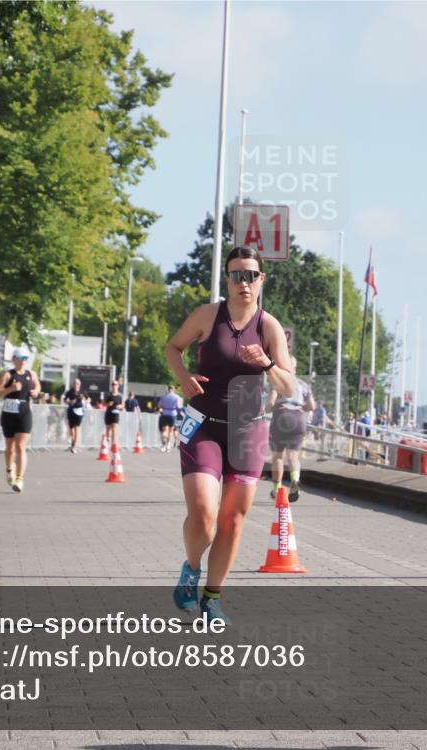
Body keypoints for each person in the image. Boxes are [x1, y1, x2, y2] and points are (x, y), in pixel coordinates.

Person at [164, 246, 295, 624]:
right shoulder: (208, 315)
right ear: (227, 279)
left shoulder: (268, 326)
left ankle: (212, 596)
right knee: (204, 513)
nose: (244, 282)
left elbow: (288, 387)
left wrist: (267, 364)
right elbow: (173, 347)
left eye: (250, 275)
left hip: (248, 430)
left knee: (232, 519)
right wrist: (183, 376)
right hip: (203, 425)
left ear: (261, 280)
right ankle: (191, 569)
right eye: (236, 275)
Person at [267, 357, 315, 502]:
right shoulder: (304, 385)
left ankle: (277, 489)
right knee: (293, 456)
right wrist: (301, 408)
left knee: (278, 456)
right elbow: (312, 406)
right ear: (295, 368)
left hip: (282, 417)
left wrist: (267, 409)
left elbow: (270, 403)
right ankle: (295, 479)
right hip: (298, 419)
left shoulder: (278, 383)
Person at [0, 348, 40, 492]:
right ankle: (9, 470)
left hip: (24, 413)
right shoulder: (7, 375)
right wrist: (11, 389)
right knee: (10, 448)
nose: (23, 361)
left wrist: (36, 392)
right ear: (14, 359)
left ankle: (20, 479)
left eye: (25, 358)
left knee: (21, 446)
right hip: (9, 414)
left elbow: (37, 385)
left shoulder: (31, 374)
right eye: (20, 358)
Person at [157, 385, 183, 453]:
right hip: (173, 414)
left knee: (163, 430)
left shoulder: (163, 396)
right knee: (170, 431)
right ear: (174, 390)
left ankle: (163, 443)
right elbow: (179, 406)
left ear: (168, 389)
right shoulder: (177, 397)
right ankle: (168, 445)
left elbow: (159, 405)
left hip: (164, 414)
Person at [64, 378, 87, 453]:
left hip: (79, 411)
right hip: (71, 410)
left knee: (77, 427)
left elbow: (88, 399)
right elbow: (65, 399)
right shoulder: (70, 392)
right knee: (71, 429)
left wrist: (85, 401)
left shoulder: (82, 391)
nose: (76, 385)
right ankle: (73, 442)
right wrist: (70, 401)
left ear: (80, 385)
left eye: (77, 383)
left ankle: (75, 446)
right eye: (75, 383)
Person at [104, 381, 123, 448]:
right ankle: (106, 442)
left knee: (114, 429)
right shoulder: (108, 395)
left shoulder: (120, 396)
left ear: (118, 386)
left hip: (116, 413)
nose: (114, 386)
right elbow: (104, 404)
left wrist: (119, 406)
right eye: (112, 384)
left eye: (115, 384)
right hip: (109, 413)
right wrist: (109, 404)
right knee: (108, 430)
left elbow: (122, 405)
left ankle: (113, 445)